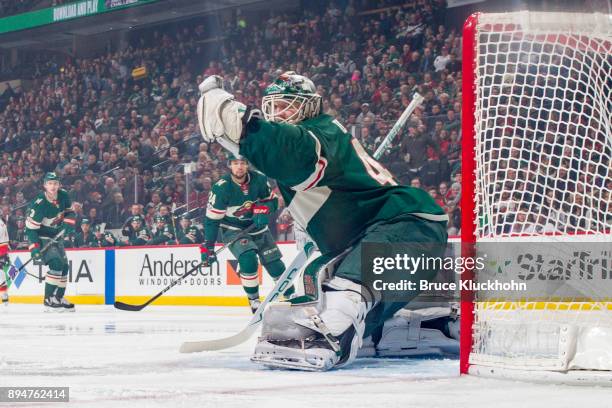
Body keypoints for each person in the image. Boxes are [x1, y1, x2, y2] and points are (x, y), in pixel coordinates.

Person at [196, 72, 449, 370]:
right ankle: (413, 325)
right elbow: (269, 153)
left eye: (287, 106)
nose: (279, 113)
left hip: (407, 229)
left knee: (344, 295)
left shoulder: (319, 132)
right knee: (316, 291)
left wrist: (240, 122)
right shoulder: (318, 135)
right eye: (273, 107)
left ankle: (333, 331)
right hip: (379, 239)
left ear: (310, 106)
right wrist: (244, 141)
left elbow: (288, 150)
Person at [200, 153, 287, 313]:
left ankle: (290, 296)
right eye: (235, 163)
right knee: (248, 259)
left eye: (242, 163)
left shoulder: (259, 179)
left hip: (258, 227)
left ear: (247, 165)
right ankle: (254, 300)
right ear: (229, 165)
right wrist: (209, 247)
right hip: (233, 229)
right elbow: (212, 221)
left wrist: (264, 209)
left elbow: (273, 201)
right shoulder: (221, 188)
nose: (239, 167)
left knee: (275, 264)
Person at [25, 172, 76, 311]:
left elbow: (70, 212)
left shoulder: (64, 195)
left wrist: (68, 222)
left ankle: (58, 298)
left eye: (55, 183)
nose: (53, 186)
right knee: (56, 264)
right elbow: (30, 230)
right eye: (50, 183)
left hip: (56, 236)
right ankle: (48, 299)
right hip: (41, 237)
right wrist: (34, 248)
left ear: (59, 184)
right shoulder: (39, 204)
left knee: (65, 267)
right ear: (45, 185)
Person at [0, 217, 9, 304]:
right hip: (3, 250)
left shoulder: (1, 224)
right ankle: (4, 294)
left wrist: (4, 254)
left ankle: (4, 294)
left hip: (1, 250)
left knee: (0, 273)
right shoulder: (2, 222)